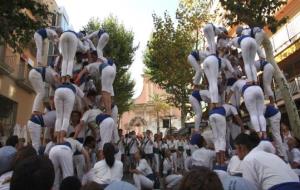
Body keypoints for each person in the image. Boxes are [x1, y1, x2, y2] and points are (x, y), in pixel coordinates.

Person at [234, 133, 299, 190]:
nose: (235, 153)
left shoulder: (248, 159)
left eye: (236, 148)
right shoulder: (268, 155)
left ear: (241, 147)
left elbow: (250, 187)